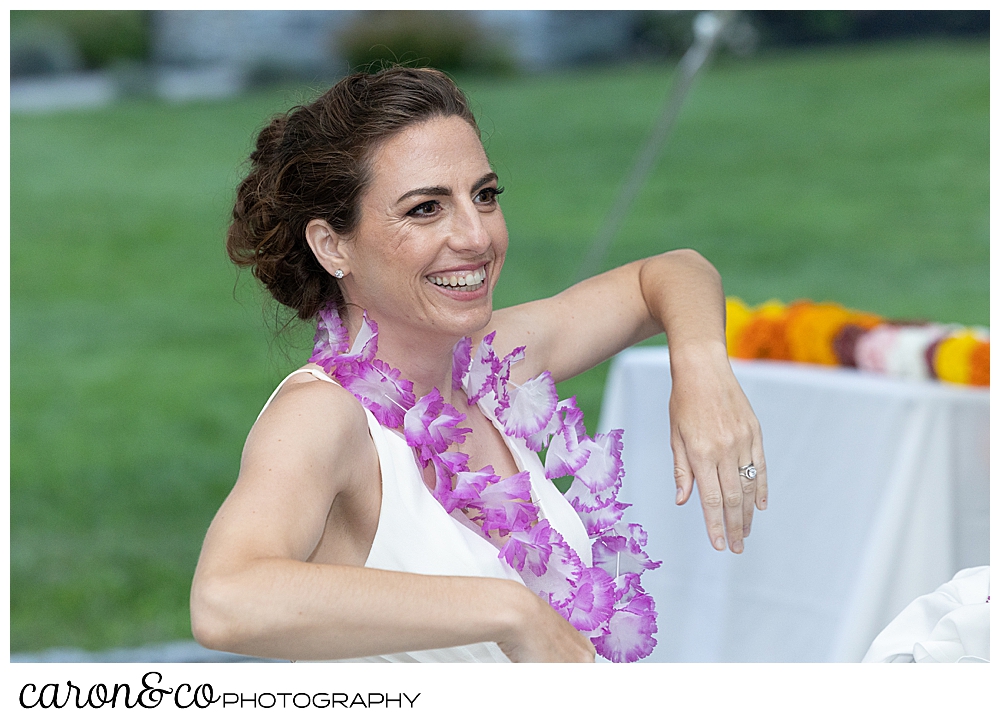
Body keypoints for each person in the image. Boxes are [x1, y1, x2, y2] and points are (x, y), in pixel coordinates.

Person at [190, 66, 766, 663]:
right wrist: (511, 612)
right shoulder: (323, 415)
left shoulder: (491, 361)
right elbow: (226, 599)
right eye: (425, 209)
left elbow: (672, 273)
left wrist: (702, 371)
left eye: (484, 196)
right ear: (333, 245)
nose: (475, 236)